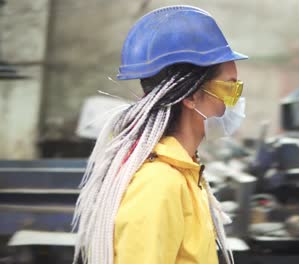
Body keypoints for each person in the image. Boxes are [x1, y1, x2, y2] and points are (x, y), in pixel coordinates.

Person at [72, 5, 247, 264]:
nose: (236, 100)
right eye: (231, 88)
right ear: (191, 96)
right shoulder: (158, 185)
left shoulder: (184, 173)